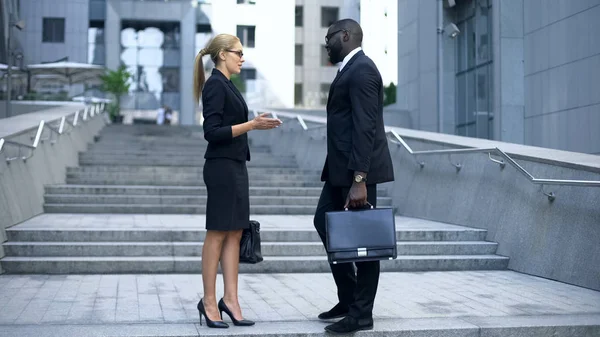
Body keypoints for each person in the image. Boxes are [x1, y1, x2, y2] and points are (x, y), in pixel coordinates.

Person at [192, 34, 282, 329]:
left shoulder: (228, 85)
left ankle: (230, 300)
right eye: (238, 53)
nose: (242, 58)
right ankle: (208, 301)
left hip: (236, 166)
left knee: (234, 233)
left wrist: (253, 124)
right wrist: (252, 125)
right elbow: (213, 132)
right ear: (222, 55)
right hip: (221, 168)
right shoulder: (215, 85)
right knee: (217, 233)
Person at [313, 19, 394, 334]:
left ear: (345, 36)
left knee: (365, 240)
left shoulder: (362, 70)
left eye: (329, 38)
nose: (326, 44)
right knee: (325, 222)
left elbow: (365, 126)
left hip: (356, 172)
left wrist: (359, 179)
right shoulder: (349, 68)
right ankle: (348, 298)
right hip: (339, 171)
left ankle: (361, 313)